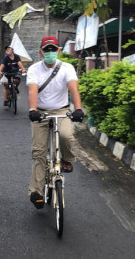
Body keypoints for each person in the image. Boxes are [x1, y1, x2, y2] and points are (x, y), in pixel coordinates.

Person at [26, 36, 84, 209]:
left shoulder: (67, 68)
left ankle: (67, 159)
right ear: (41, 52)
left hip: (61, 110)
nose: (50, 53)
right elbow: (32, 90)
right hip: (41, 112)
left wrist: (78, 109)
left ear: (58, 51)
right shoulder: (34, 69)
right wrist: (33, 110)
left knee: (66, 135)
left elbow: (73, 88)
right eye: (46, 49)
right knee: (39, 152)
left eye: (53, 49)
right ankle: (36, 191)